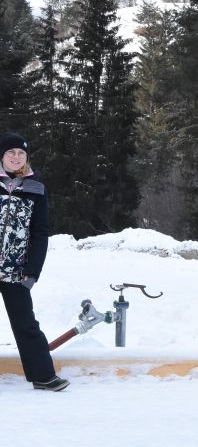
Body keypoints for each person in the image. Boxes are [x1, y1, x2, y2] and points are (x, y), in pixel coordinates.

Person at [0, 132, 68, 391]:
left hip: (17, 271)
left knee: (26, 324)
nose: (16, 158)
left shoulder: (36, 187)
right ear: (2, 156)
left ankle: (43, 376)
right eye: (11, 153)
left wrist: (33, 271)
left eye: (21, 154)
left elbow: (40, 232)